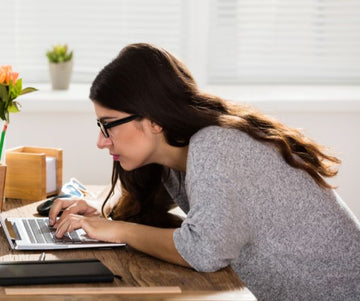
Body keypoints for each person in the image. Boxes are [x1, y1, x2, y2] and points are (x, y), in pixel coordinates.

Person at [49, 43, 360, 300]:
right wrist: (100, 212)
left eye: (108, 125)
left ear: (154, 120)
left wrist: (113, 229)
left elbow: (203, 251)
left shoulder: (217, 146)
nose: (101, 142)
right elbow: (164, 211)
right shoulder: (178, 157)